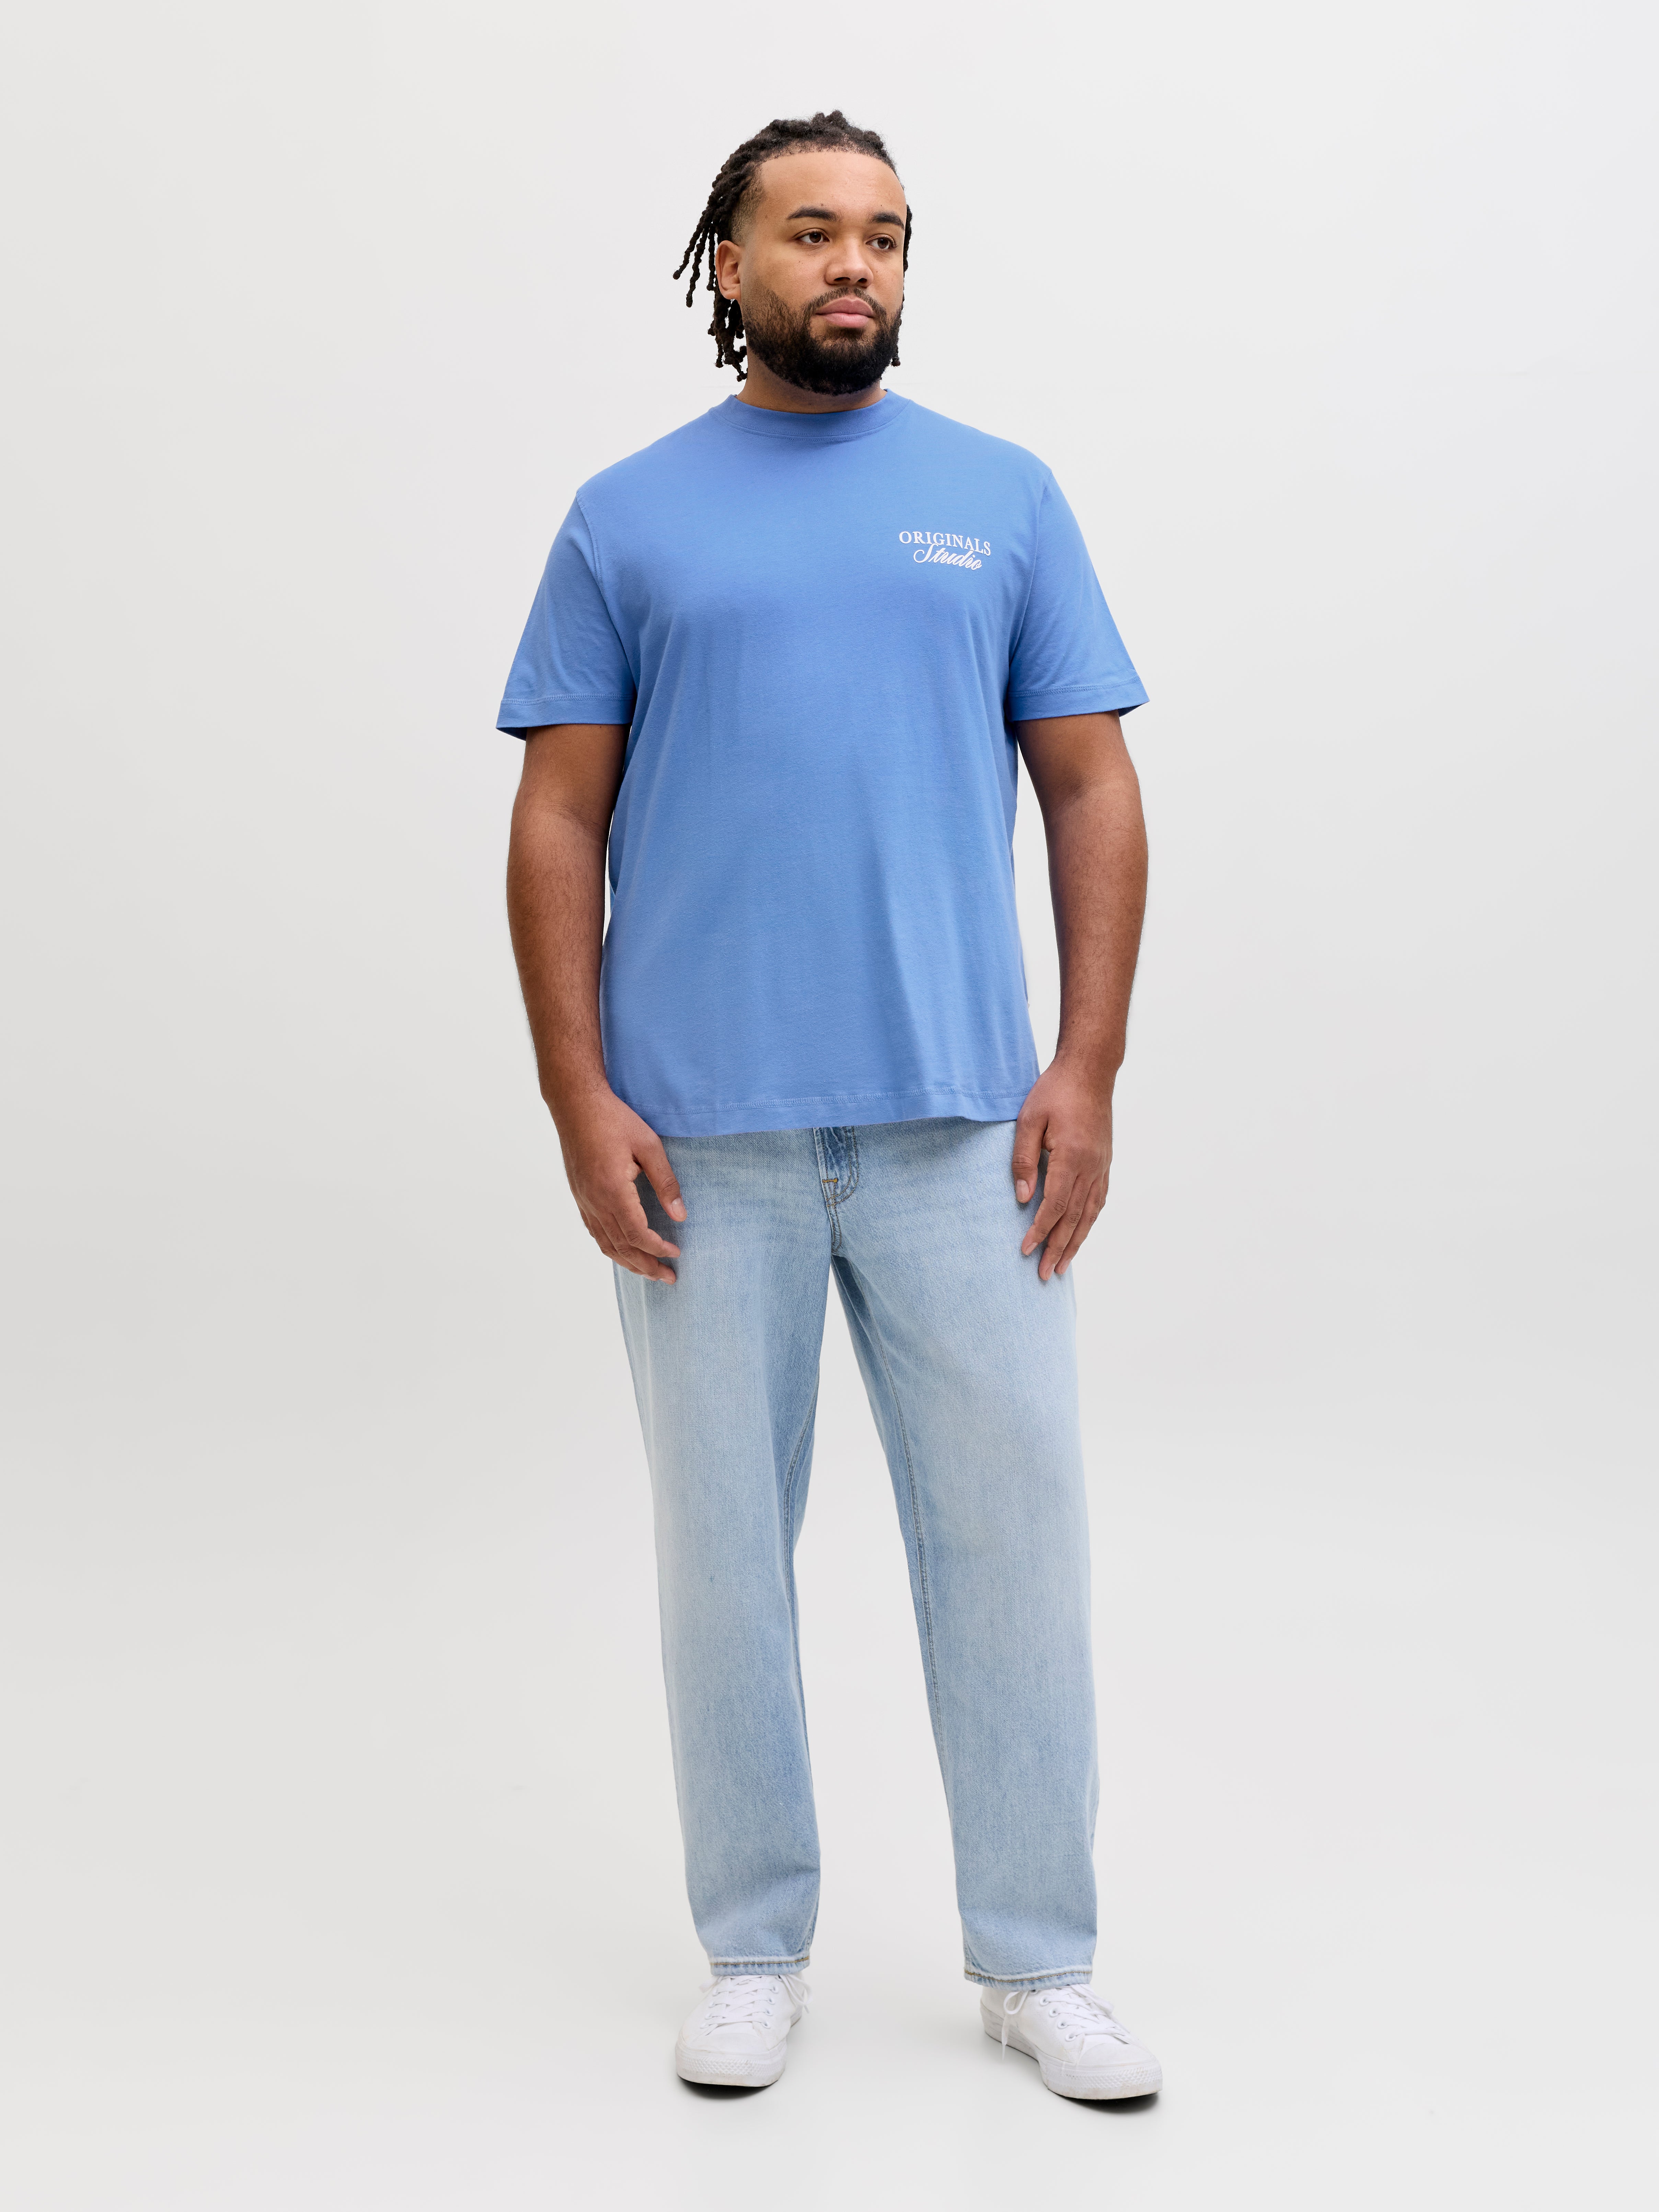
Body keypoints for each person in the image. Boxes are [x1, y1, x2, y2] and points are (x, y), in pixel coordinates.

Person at [498, 110, 1160, 2102]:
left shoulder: (1000, 497)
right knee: (723, 1556)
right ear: (730, 263)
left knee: (1015, 1545)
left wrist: (1087, 1066)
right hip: (701, 1139)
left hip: (968, 1130)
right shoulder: (627, 516)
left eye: (880, 232)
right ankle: (752, 1947)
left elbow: (1092, 785)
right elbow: (557, 818)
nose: (851, 262)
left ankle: (1037, 1962)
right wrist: (579, 1095)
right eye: (808, 231)